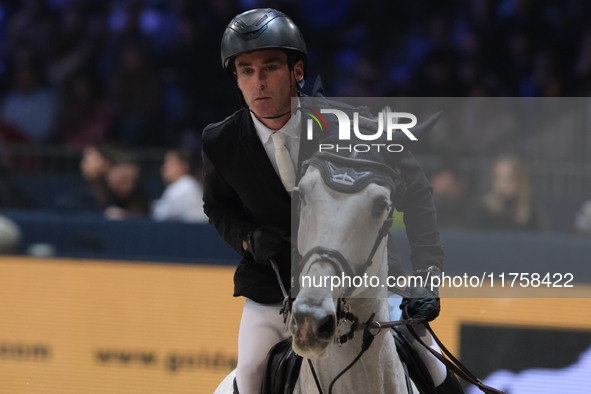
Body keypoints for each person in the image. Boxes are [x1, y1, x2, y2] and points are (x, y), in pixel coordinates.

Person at [202, 8, 461, 394]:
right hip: (275, 290)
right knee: (251, 373)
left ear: (298, 72)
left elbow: (417, 190)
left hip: (364, 287)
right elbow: (217, 207)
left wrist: (427, 276)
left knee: (431, 363)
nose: (258, 82)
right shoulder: (220, 140)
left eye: (269, 67)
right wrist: (248, 239)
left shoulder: (349, 126)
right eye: (246, 71)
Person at [470, 155, 548, 232]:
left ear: (520, 182)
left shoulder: (530, 215)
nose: (504, 185)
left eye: (510, 179)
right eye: (499, 179)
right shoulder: (483, 212)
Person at [151, 148, 207, 223]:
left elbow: (159, 215)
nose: (164, 167)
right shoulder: (185, 184)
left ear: (184, 166)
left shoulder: (185, 186)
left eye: (169, 163)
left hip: (199, 231)